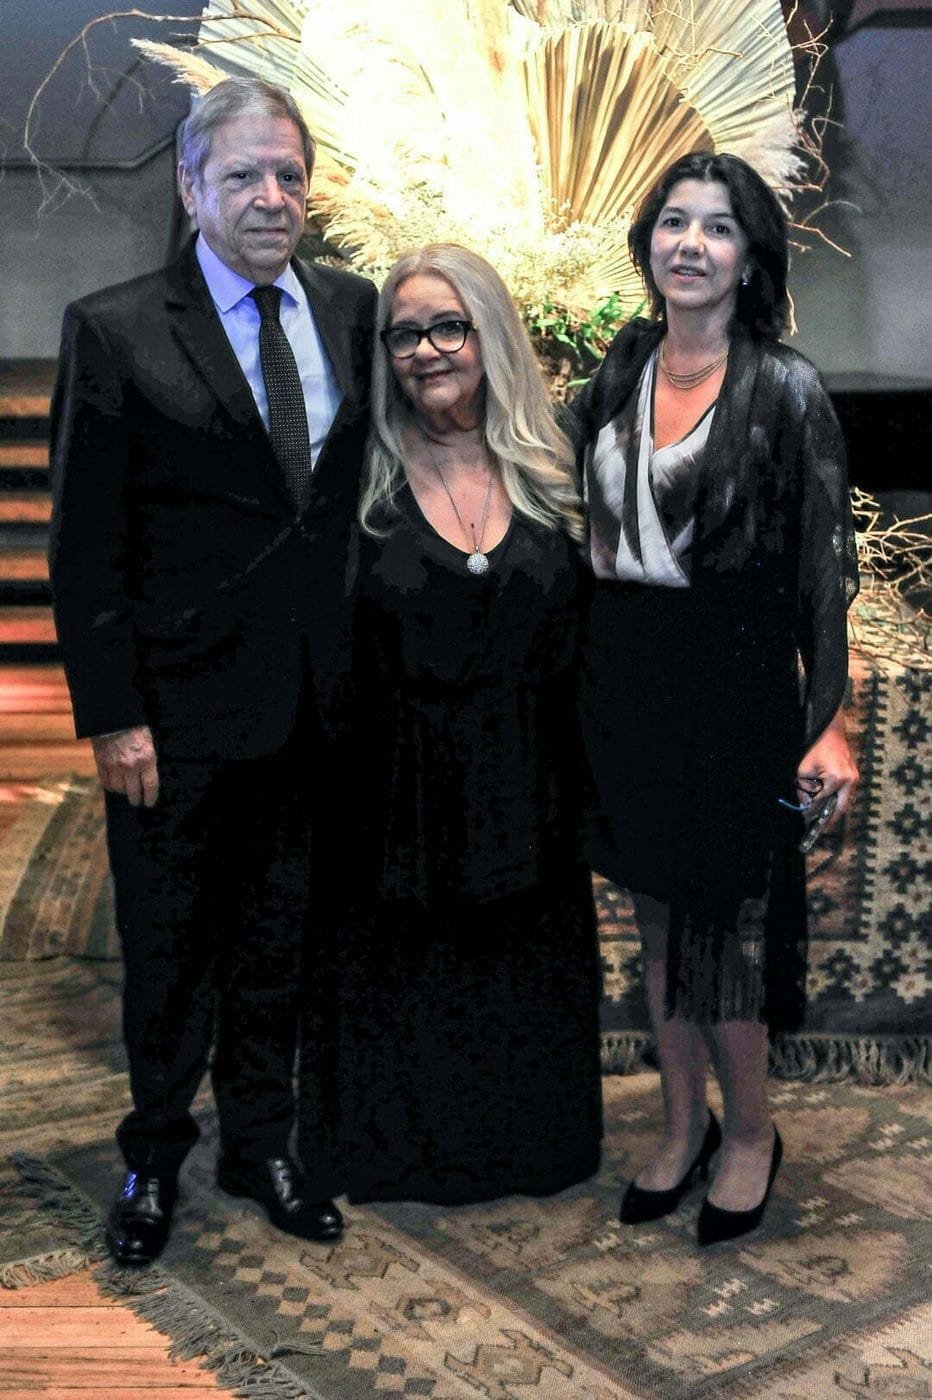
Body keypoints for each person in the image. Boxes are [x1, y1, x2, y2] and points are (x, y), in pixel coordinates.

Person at [48, 76, 377, 1265]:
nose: (271, 196)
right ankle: (151, 1155)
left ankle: (261, 1145)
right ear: (191, 188)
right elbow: (84, 544)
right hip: (175, 716)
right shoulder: (117, 327)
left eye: (288, 173)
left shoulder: (352, 309)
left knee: (280, 939)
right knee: (171, 950)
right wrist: (113, 714)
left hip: (312, 706)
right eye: (242, 175)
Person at [569, 152, 859, 1246]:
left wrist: (824, 718)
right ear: (648, 241)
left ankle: (750, 1133)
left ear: (749, 257)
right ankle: (680, 1122)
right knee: (656, 919)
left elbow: (821, 569)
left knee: (721, 927)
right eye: (673, 222)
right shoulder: (617, 369)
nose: (690, 243)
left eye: (718, 226)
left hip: (734, 690)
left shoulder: (783, 387)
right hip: (623, 682)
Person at [302, 243, 603, 1204]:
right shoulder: (356, 470)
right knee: (406, 970)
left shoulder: (557, 464)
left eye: (448, 328)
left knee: (517, 965)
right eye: (404, 336)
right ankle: (400, 1150)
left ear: (490, 334)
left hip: (528, 772)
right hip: (393, 781)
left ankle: (520, 1141)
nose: (426, 351)